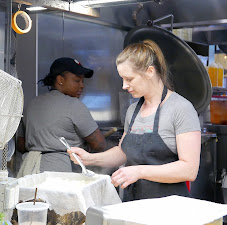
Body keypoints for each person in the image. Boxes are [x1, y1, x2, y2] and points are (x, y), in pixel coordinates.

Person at [68, 40, 201, 201]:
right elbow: (124, 152)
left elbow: (189, 170)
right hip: (134, 203)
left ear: (150, 71)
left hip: (169, 208)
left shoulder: (180, 109)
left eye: (129, 79)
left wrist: (139, 171)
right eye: (122, 79)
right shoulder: (133, 110)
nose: (124, 86)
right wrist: (89, 159)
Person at [17, 57, 107, 177]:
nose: (82, 86)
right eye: (77, 80)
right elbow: (100, 145)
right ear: (60, 80)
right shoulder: (74, 105)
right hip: (61, 173)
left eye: (82, 81)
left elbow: (20, 145)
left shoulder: (31, 104)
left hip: (30, 172)